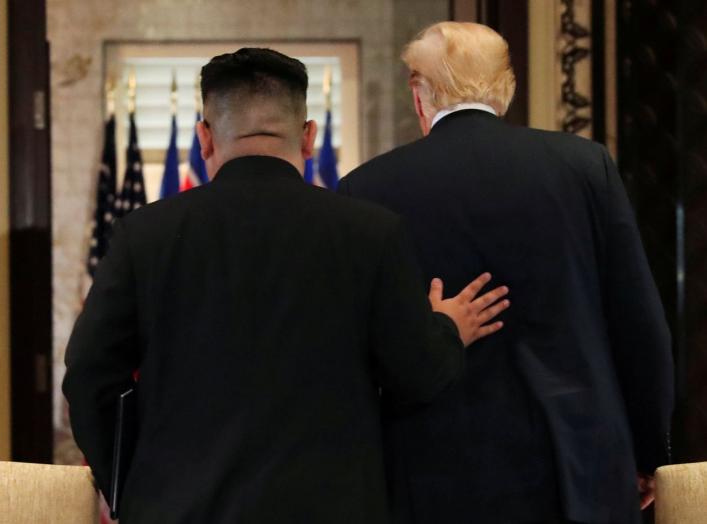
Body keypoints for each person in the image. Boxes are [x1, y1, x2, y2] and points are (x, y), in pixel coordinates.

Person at [62, 48, 510, 524]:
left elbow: (88, 375)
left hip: (178, 509)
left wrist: (126, 480)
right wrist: (446, 329)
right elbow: (415, 376)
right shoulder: (371, 233)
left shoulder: (143, 235)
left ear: (204, 138)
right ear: (310, 136)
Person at [338, 22, 674, 524]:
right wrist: (648, 452)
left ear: (418, 93)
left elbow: (357, 353)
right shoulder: (584, 168)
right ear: (507, 86)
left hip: (431, 474)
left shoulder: (366, 189)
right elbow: (638, 323)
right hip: (576, 468)